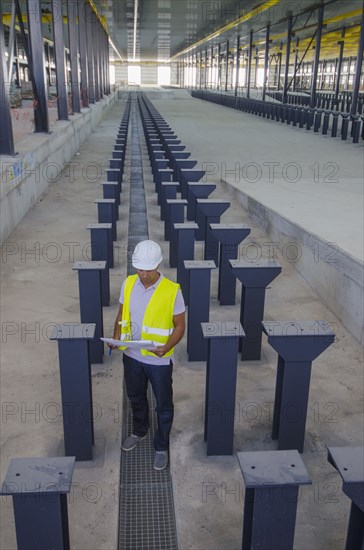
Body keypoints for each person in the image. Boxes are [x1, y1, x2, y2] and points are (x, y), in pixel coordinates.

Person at [110, 240, 185, 471]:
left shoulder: (172, 291)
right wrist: (115, 339)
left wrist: (166, 347)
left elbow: (180, 326)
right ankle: (139, 431)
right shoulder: (129, 283)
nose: (142, 274)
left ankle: (161, 445)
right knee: (135, 397)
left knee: (163, 404)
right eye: (139, 269)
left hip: (159, 360)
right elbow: (122, 313)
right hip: (132, 356)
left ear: (158, 265)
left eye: (147, 270)